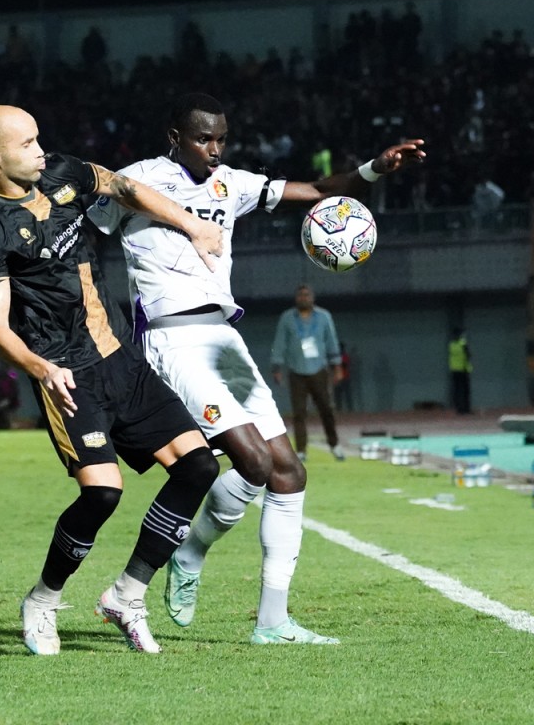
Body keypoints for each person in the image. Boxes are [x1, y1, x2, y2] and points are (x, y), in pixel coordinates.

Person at [90, 92, 424, 645]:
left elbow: (318, 192)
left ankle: (268, 618)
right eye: (204, 138)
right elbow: (89, 224)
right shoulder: (138, 180)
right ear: (176, 136)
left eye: (222, 138)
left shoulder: (231, 184)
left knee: (287, 470)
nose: (215, 149)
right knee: (250, 457)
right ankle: (169, 565)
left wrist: (374, 168)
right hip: (173, 343)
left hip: (225, 341)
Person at [0, 104, 224, 655]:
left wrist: (193, 224)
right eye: (27, 143)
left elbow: (126, 189)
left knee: (198, 466)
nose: (40, 150)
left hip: (119, 359)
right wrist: (40, 368)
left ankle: (127, 595)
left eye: (39, 139)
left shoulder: (62, 172)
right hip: (66, 373)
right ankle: (42, 600)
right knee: (103, 492)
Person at [271, 285, 345, 463]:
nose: (303, 298)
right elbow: (280, 342)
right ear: (296, 298)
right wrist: (277, 366)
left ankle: (334, 444)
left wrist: (337, 366)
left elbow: (331, 341)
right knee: (299, 413)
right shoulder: (287, 318)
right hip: (296, 371)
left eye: (307, 295)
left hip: (319, 370)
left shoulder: (324, 317)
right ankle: (301, 450)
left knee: (327, 409)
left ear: (313, 297)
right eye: (300, 295)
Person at [448, 328, 472, 414]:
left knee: (457, 390)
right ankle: (466, 409)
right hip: (463, 369)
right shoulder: (462, 343)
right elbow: (468, 355)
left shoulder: (451, 345)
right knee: (465, 390)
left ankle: (459, 409)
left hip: (454, 370)